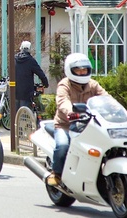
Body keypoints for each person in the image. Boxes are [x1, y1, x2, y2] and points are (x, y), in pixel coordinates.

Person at [47, 52, 107, 186]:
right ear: (70, 70)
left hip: (88, 126)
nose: (81, 72)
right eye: (78, 70)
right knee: (62, 146)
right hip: (65, 125)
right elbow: (62, 101)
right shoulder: (64, 85)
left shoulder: (93, 85)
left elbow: (106, 98)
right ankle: (56, 173)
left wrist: (119, 110)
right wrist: (70, 112)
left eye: (84, 69)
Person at [15, 41, 49, 109]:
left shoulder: (14, 59)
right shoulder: (30, 60)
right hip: (26, 91)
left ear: (21, 48)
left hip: (14, 91)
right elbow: (40, 73)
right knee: (25, 114)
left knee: (15, 114)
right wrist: (45, 83)